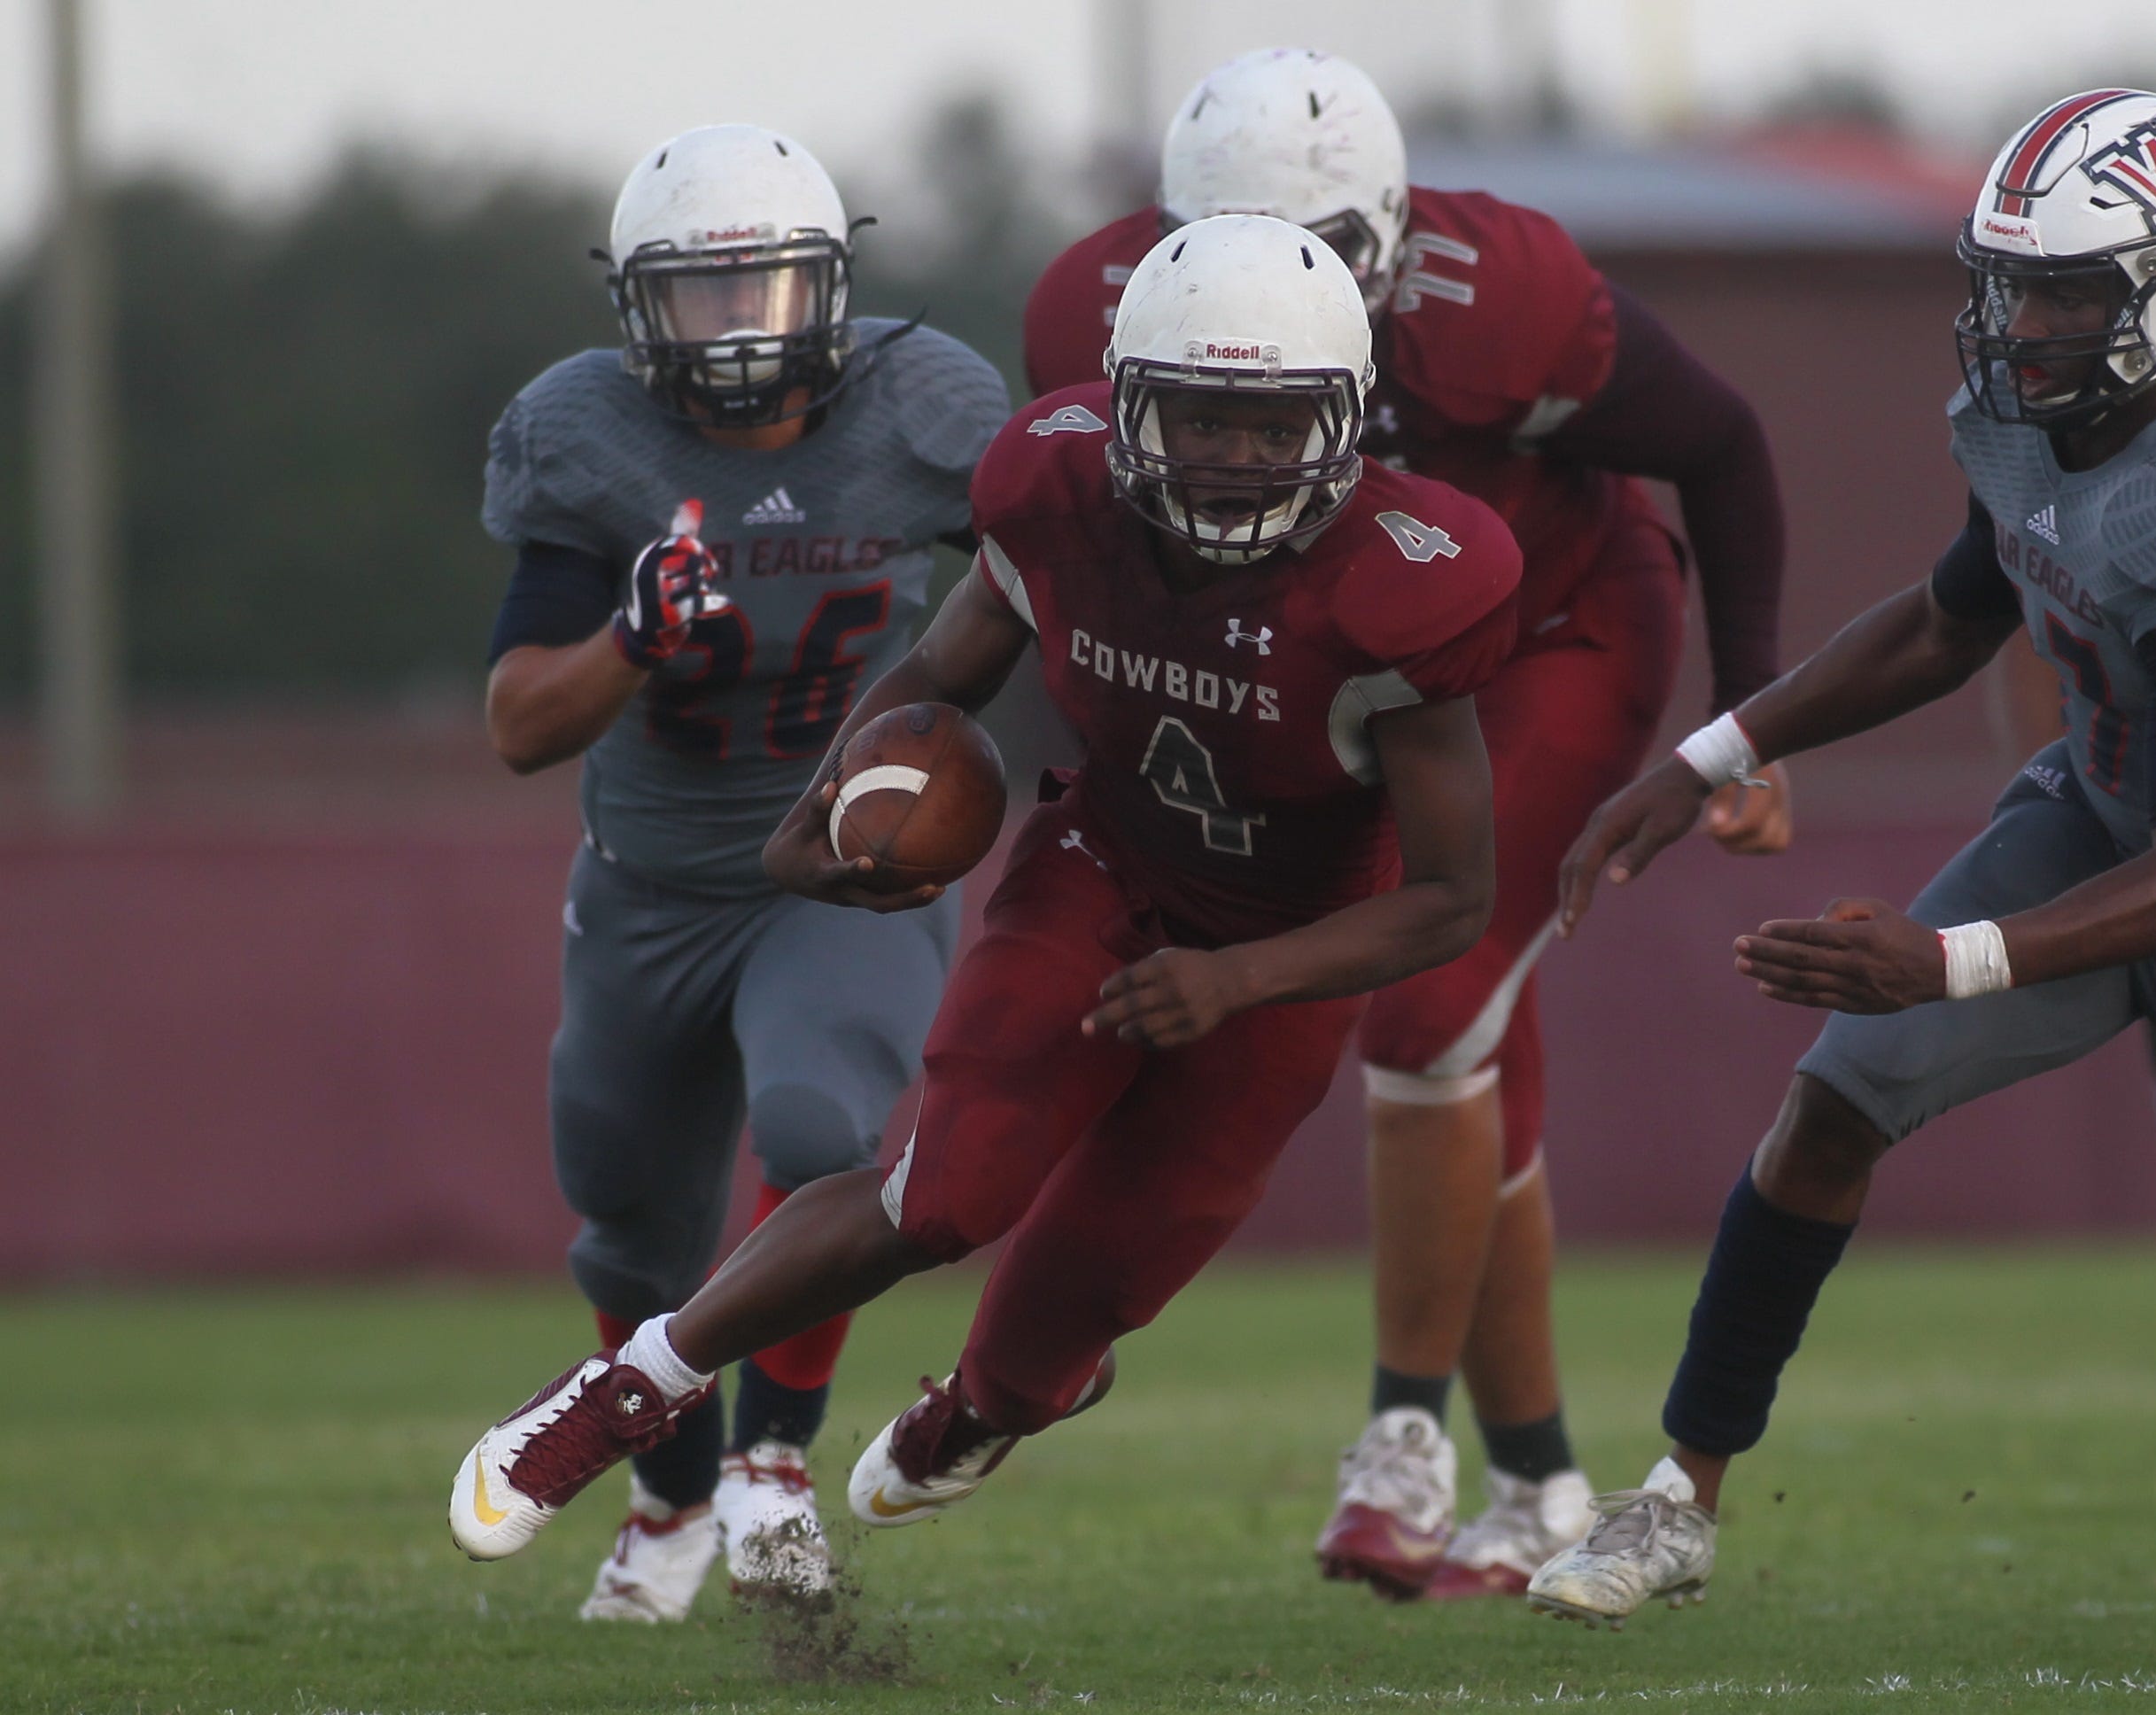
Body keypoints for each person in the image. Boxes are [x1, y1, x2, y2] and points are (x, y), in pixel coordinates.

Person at [1524, 91, 2156, 1649]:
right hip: (2099, 815)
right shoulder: (2028, 417)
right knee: (1838, 1095)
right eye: (2008, 280)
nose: (2020, 323)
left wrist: (1950, 958)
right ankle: (1679, 1497)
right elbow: (1941, 621)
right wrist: (1708, 754)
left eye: (2067, 290)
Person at [448, 214, 1522, 1570]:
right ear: (1131, 404)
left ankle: (986, 1408)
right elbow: (931, 680)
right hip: (1105, 876)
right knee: (939, 1194)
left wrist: (1235, 979)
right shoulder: (1055, 495)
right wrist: (822, 814)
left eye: (1271, 423)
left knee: (1069, 1320)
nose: (1235, 456)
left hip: (1289, 953)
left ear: (1346, 419)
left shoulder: (1409, 583)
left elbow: (1449, 900)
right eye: (1198, 417)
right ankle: (629, 1389)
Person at [1023, 48, 1793, 1600]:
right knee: (1472, 1044)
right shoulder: (1082, 312)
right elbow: (1076, 555)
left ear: (1388, 234)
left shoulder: (1497, 297)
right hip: (1329, 674)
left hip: (1551, 630)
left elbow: (1715, 442)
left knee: (1429, 1011)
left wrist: (1747, 729)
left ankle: (1401, 1442)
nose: (1268, 297)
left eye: (1317, 260)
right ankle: (1535, 1480)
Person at [476, 123, 1008, 1618]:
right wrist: (631, 638)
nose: (736, 326)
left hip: (836, 864)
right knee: (631, 1221)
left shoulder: (922, 406)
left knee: (819, 1127)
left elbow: (1058, 578)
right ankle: (666, 1491)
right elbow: (522, 724)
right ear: (638, 309)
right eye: (698, 294)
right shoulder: (589, 437)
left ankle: (773, 1460)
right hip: (648, 878)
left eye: (764, 288)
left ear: (828, 288)